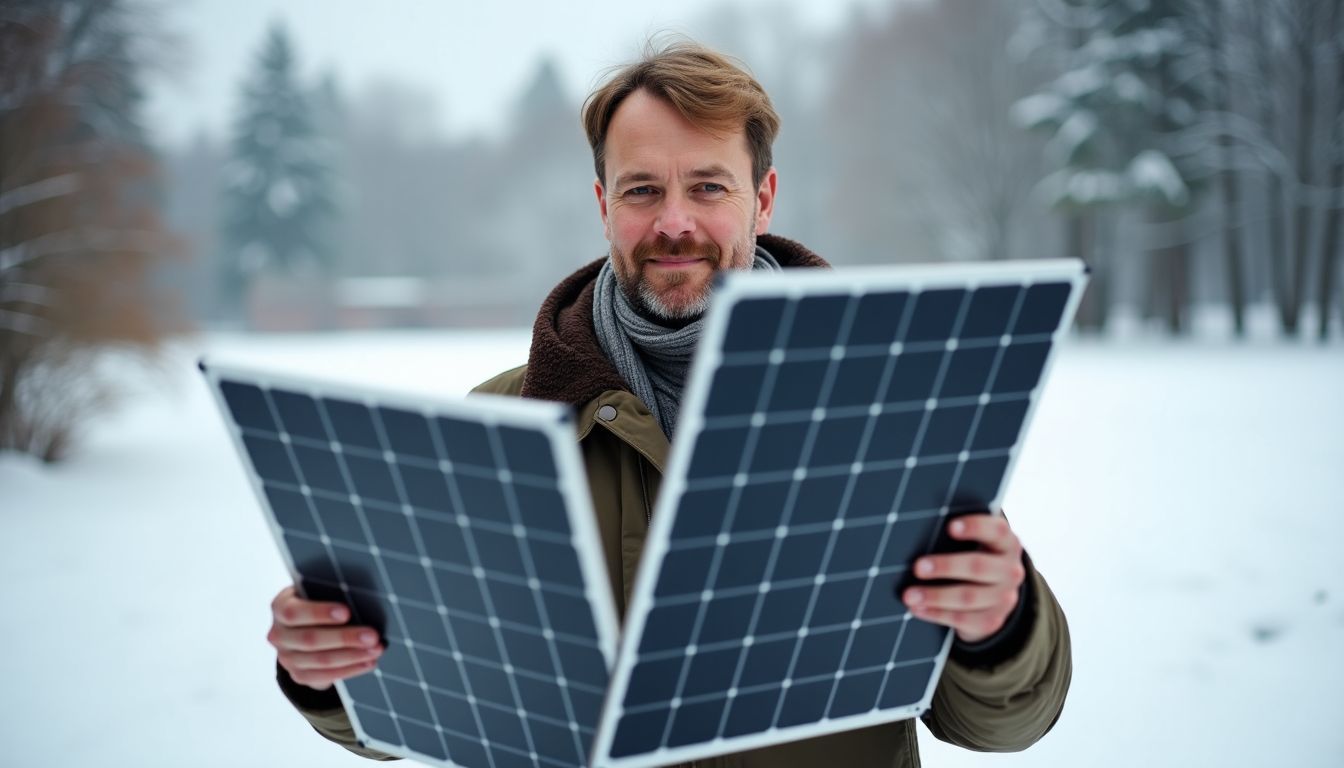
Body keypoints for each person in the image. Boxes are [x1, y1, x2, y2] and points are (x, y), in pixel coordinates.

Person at [266, 39, 1071, 767]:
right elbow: (416, 699)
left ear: (763, 198)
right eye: (643, 188)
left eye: (708, 185)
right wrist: (329, 674)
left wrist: (999, 621)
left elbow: (999, 723)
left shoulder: (892, 410)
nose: (674, 222)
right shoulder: (497, 426)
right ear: (603, 205)